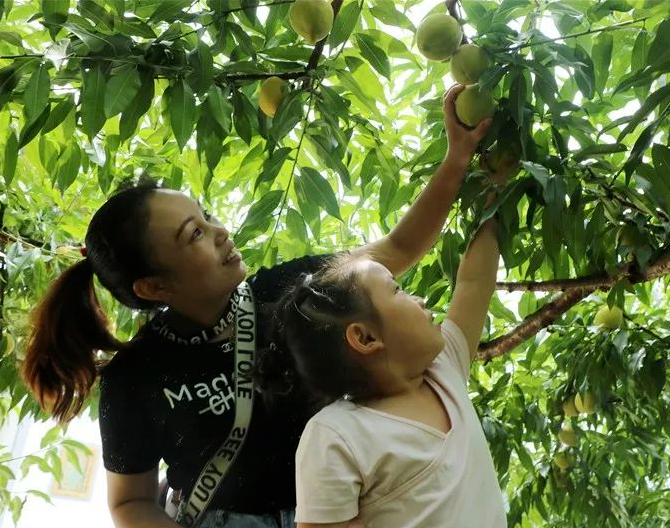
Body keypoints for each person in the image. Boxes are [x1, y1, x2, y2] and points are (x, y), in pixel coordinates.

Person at [20, 84, 491, 528]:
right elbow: (129, 502)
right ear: (152, 287)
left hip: (344, 509)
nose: (220, 230)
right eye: (195, 234)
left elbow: (400, 248)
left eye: (206, 216)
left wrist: (457, 158)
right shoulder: (134, 377)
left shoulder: (288, 292)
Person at [261, 160, 508, 528]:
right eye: (399, 290)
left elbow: (474, 282)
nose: (420, 299)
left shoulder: (444, 370)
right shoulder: (337, 435)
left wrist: (495, 189)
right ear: (365, 337)